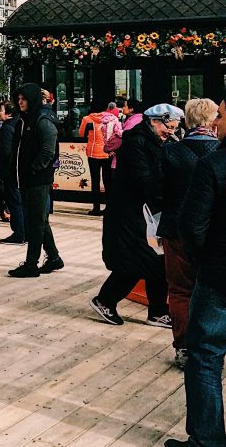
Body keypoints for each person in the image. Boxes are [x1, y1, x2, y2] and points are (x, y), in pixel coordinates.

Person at [166, 98, 226, 447]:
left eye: (222, 112)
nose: (217, 119)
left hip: (218, 277)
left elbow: (192, 226)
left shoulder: (214, 164)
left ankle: (207, 439)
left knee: (204, 357)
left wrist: (204, 259)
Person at [89, 103, 182, 327]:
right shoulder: (137, 144)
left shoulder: (155, 142)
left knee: (156, 261)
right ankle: (105, 300)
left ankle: (157, 311)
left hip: (145, 213)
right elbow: (143, 181)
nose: (171, 132)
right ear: (154, 122)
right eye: (168, 127)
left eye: (174, 128)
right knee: (137, 262)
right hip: (130, 214)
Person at [160, 98, 220, 368]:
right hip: (215, 234)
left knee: (180, 291)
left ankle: (184, 346)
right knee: (213, 290)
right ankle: (211, 345)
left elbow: (155, 192)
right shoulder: (220, 152)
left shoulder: (172, 152)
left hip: (176, 231)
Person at [7, 84, 63, 277]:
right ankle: (54, 258)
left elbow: (49, 150)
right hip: (27, 178)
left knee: (35, 222)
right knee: (39, 219)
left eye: (24, 99)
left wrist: (34, 168)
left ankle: (32, 264)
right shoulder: (25, 119)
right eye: (19, 98)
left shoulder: (41, 120)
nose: (20, 102)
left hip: (37, 179)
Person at [79, 100, 119, 216]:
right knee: (108, 181)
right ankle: (109, 207)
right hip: (107, 153)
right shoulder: (111, 119)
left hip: (93, 154)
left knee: (95, 181)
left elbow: (82, 134)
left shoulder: (87, 119)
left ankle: (96, 208)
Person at [0, 100, 25, 244]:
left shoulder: (7, 129)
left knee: (14, 201)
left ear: (9, 114)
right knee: (19, 201)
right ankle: (24, 231)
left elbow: (5, 152)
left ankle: (19, 233)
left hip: (10, 172)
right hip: (18, 170)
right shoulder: (18, 124)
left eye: (1, 110)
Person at [105, 97, 143, 165]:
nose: (123, 108)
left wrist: (109, 148)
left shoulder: (132, 122)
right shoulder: (139, 119)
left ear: (131, 109)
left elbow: (122, 138)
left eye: (125, 106)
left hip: (126, 159)